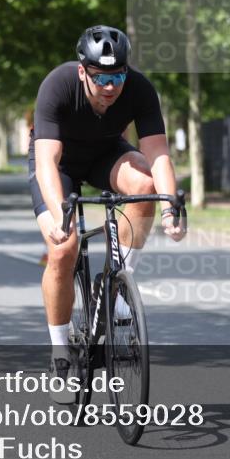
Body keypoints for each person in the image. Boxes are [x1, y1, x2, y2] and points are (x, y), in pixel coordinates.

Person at [29, 25, 186, 402]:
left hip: (106, 155)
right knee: (63, 249)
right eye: (102, 78)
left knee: (145, 185)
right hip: (59, 164)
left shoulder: (140, 88)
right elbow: (47, 161)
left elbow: (158, 153)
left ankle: (118, 283)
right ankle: (60, 354)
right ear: (83, 71)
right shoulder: (58, 84)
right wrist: (59, 214)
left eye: (118, 76)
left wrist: (170, 209)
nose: (111, 87)